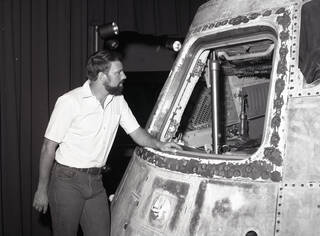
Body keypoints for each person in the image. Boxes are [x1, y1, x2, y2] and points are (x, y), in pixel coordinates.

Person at [32, 50, 181, 236]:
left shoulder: (118, 100)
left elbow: (137, 134)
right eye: (118, 72)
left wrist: (160, 145)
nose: (124, 76)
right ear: (102, 76)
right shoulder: (70, 101)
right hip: (67, 181)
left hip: (96, 181)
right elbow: (48, 147)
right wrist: (41, 189)